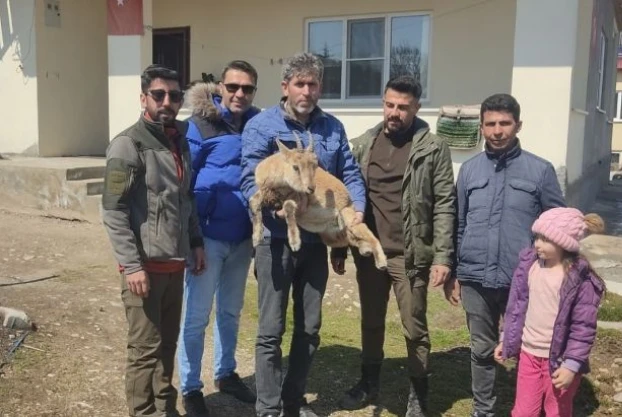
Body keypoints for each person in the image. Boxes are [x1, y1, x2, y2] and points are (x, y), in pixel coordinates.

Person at [240, 52, 366, 417]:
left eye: (313, 84)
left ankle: (292, 403)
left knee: (309, 329)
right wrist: (274, 207)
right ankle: (268, 409)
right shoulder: (263, 127)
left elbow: (349, 172)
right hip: (275, 241)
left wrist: (356, 208)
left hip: (315, 243)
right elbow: (250, 178)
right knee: (271, 329)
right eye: (300, 84)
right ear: (285, 86)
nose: (306, 91)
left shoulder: (332, 128)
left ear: (320, 88)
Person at [332, 75, 456, 416]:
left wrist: (443, 257)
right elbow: (346, 200)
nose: (394, 112)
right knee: (371, 322)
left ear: (416, 108)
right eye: (389, 105)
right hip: (370, 253)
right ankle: (369, 382)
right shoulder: (363, 144)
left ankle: (418, 395)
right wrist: (340, 246)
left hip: (410, 256)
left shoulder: (433, 148)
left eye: (403, 107)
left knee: (414, 328)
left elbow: (445, 204)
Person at [445, 93, 565, 417]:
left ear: (518, 125)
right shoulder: (469, 171)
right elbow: (458, 223)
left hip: (524, 280)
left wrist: (555, 273)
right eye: (490, 124)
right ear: (481, 127)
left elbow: (557, 227)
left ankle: (528, 407)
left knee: (531, 350)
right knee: (481, 349)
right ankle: (483, 410)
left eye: (504, 123)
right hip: (475, 278)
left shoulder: (540, 171)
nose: (497, 131)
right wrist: (454, 270)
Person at [101, 64, 205, 417]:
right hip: (144, 269)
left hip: (175, 266)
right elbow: (113, 210)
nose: (167, 102)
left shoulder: (180, 141)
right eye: (158, 94)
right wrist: (132, 266)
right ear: (143, 98)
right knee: (144, 351)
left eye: (174, 95)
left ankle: (165, 409)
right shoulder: (127, 145)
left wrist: (196, 242)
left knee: (167, 347)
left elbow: (186, 198)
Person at [177, 60, 261, 417]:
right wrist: (192, 238)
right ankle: (190, 386)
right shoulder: (199, 125)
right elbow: (184, 182)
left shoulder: (257, 125)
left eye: (247, 88)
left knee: (230, 311)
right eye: (233, 87)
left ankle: (226, 373)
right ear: (220, 88)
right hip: (207, 239)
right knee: (196, 316)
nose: (239, 93)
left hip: (241, 237)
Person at [495, 208, 605, 417]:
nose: (537, 244)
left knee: (556, 412)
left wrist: (571, 366)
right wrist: (506, 338)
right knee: (524, 412)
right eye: (537, 237)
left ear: (563, 243)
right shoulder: (529, 266)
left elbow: (583, 328)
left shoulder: (579, 279)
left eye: (545, 239)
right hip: (528, 354)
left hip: (559, 360)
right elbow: (516, 307)